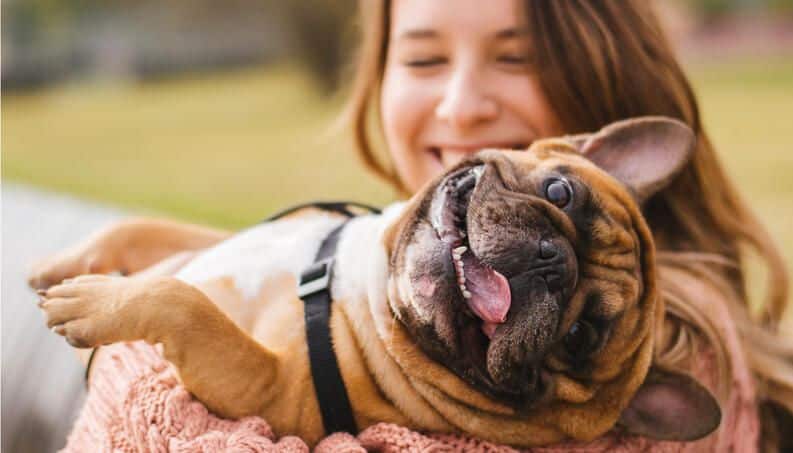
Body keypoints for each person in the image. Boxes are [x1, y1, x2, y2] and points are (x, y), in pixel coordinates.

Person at [33, 1, 791, 450]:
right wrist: (151, 247)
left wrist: (128, 356)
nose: (461, 105)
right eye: (424, 59)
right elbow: (271, 264)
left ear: (604, 76)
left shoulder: (681, 350)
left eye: (513, 58)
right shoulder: (389, 251)